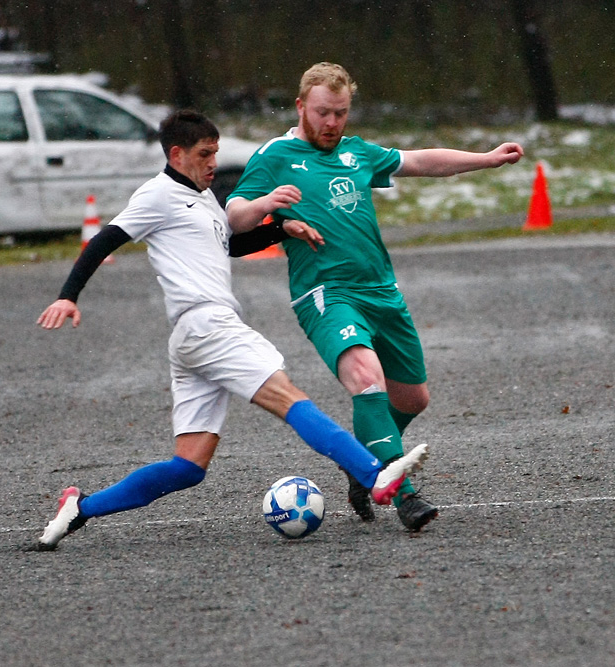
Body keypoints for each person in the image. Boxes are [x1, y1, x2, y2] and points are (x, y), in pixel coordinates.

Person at [34, 109, 429, 550]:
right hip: (208, 325)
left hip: (191, 338)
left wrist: (281, 228)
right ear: (177, 154)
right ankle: (375, 477)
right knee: (288, 397)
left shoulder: (204, 199)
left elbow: (230, 245)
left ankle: (81, 507)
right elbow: (106, 239)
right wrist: (69, 295)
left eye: (216, 153)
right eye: (205, 154)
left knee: (188, 466)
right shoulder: (157, 195)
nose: (213, 163)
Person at [226, 62, 524, 530]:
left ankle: (361, 461)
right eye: (323, 112)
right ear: (302, 106)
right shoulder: (275, 155)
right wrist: (265, 205)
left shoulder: (355, 152)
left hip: (381, 290)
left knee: (413, 399)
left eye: (340, 113)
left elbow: (420, 161)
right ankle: (401, 493)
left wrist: (485, 159)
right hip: (324, 293)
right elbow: (235, 216)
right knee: (367, 380)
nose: (331, 123)